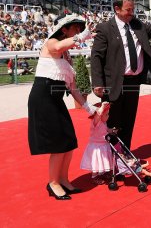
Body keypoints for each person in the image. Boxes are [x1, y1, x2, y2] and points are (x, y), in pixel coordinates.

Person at [91, 0, 151, 150]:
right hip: (114, 83)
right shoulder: (105, 28)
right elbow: (97, 57)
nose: (131, 13)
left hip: (133, 82)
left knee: (128, 120)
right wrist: (98, 83)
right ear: (117, 9)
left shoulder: (137, 25)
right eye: (128, 10)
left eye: (133, 9)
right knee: (113, 121)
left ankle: (126, 154)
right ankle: (112, 157)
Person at [28, 14, 97, 200]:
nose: (78, 32)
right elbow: (58, 46)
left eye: (79, 30)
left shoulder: (67, 55)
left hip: (56, 100)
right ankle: (53, 183)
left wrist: (88, 108)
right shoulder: (51, 42)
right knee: (58, 145)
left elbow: (72, 87)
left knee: (69, 142)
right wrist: (81, 38)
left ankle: (64, 179)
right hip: (43, 98)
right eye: (75, 28)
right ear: (64, 30)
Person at [80, 102, 114, 185]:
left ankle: (102, 173)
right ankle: (94, 176)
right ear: (99, 115)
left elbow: (106, 130)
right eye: (106, 114)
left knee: (103, 160)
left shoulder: (103, 122)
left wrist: (111, 130)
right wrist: (102, 107)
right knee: (96, 161)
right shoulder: (96, 122)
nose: (108, 116)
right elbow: (98, 115)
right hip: (96, 146)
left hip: (103, 145)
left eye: (108, 114)